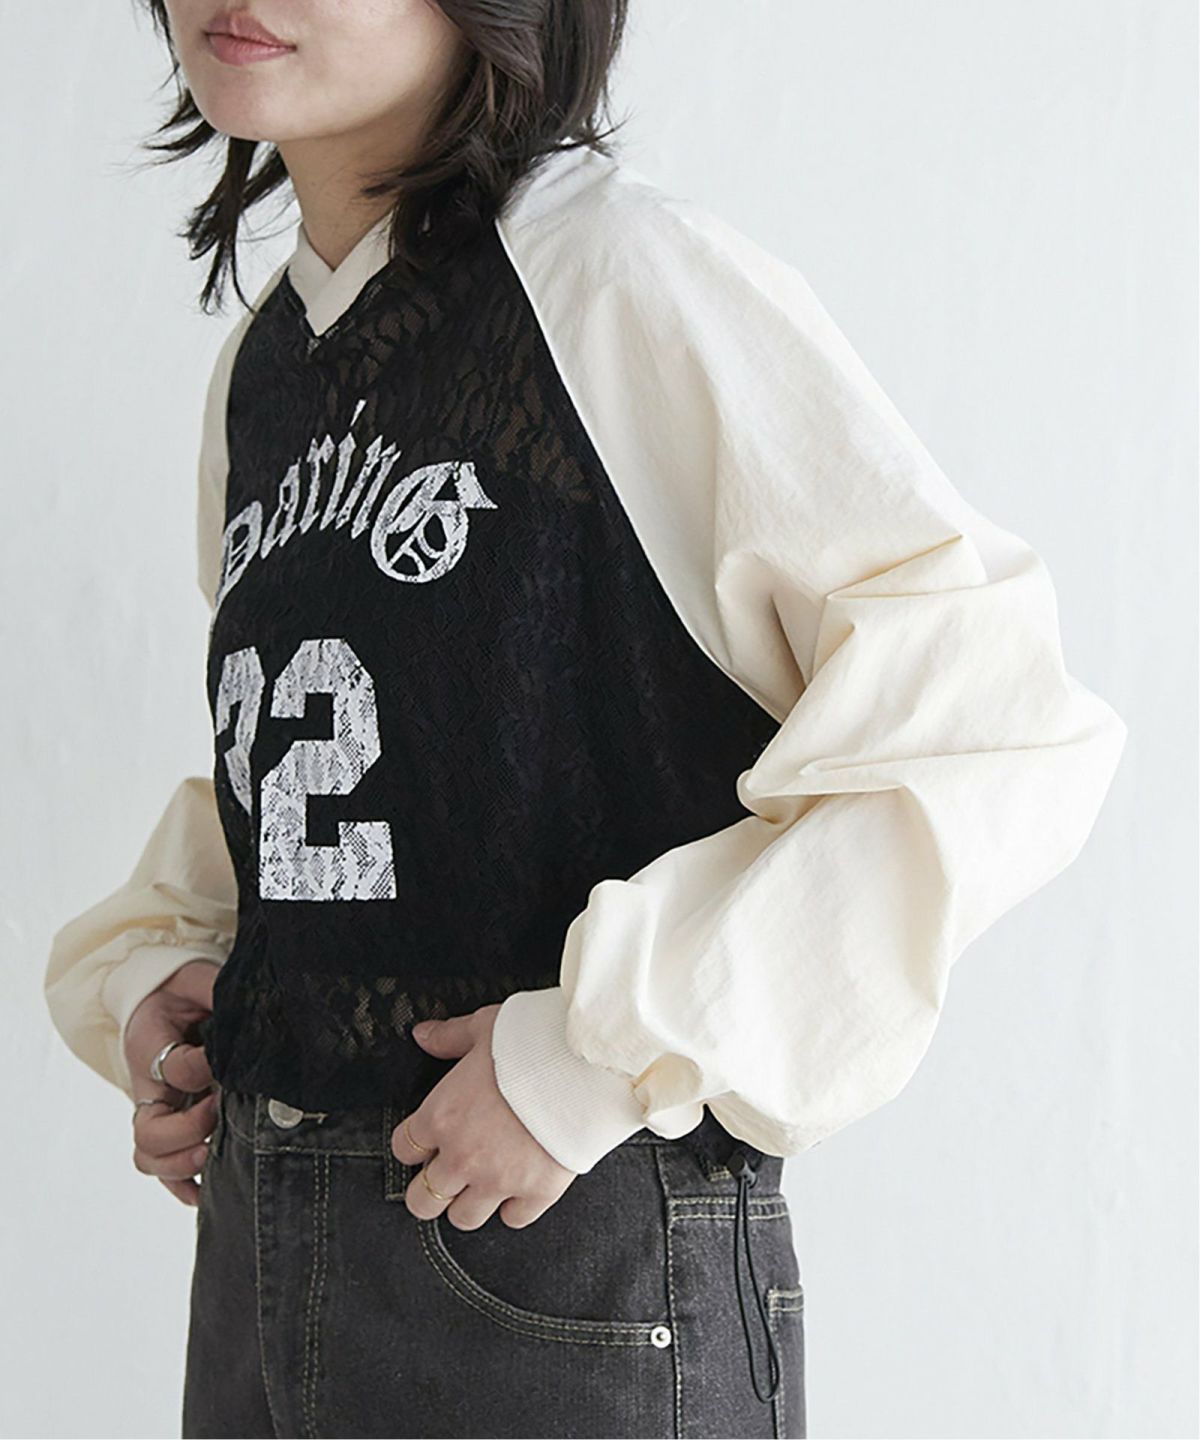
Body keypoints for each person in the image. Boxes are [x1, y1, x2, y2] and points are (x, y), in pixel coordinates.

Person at [42, 2, 1129, 1437]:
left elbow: (991, 713)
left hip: (556, 1257)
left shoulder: (616, 280)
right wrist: (180, 975)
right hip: (262, 1245)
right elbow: (352, 756)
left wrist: (598, 1055)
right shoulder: (265, 368)